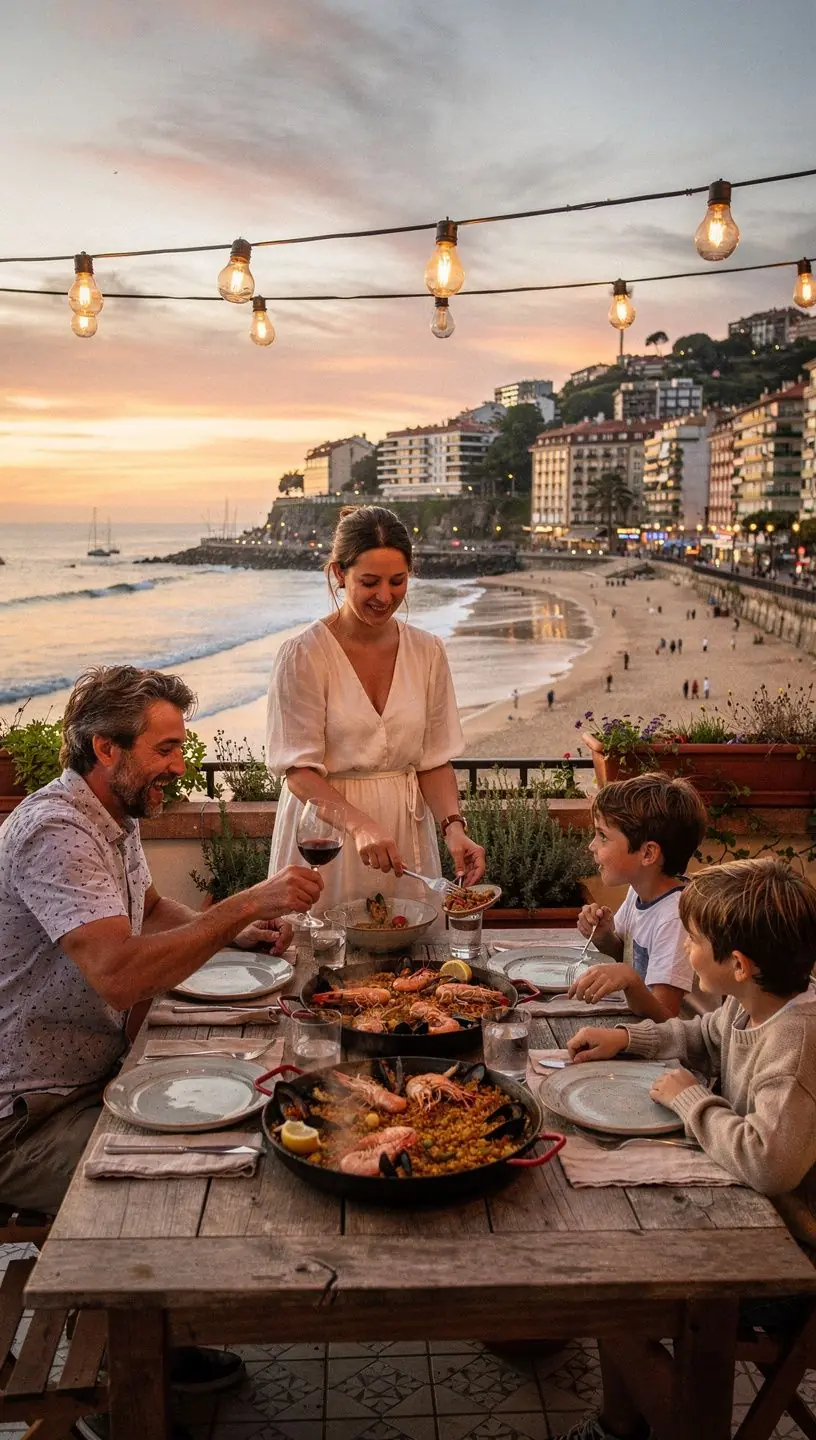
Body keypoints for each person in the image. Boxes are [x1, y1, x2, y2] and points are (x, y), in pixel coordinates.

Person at [0, 666, 321, 1429]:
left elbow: (146, 907)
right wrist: (246, 902)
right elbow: (117, 972)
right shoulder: (57, 833)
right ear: (106, 749)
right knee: (183, 1185)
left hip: (89, 1078)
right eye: (168, 747)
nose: (182, 763)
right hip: (25, 1119)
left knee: (239, 1112)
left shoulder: (112, 818)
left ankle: (159, 1338)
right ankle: (128, 1389)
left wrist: (231, 932)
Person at [557, 858, 816, 1440]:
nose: (687, 947)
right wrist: (627, 1038)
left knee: (616, 1294)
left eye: (695, 941)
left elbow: (768, 1163)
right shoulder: (753, 1003)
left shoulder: (795, 1043)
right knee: (613, 1258)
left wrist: (694, 1101)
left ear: (739, 965)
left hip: (795, 1260)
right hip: (752, 1218)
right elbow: (698, 1036)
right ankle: (619, 1428)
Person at [265, 506, 485, 915]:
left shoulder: (428, 651)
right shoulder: (302, 655)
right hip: (325, 836)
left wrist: (454, 829)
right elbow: (297, 771)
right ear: (338, 574)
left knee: (409, 961)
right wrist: (359, 824)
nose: (385, 596)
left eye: (397, 581)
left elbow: (433, 761)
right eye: (369, 582)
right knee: (322, 959)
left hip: (406, 834)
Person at [572, 773, 707, 1021]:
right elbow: (627, 954)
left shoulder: (675, 918)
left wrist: (630, 980)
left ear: (648, 854)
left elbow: (667, 1016)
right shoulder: (640, 889)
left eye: (603, 836)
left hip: (681, 1055)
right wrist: (604, 937)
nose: (592, 845)